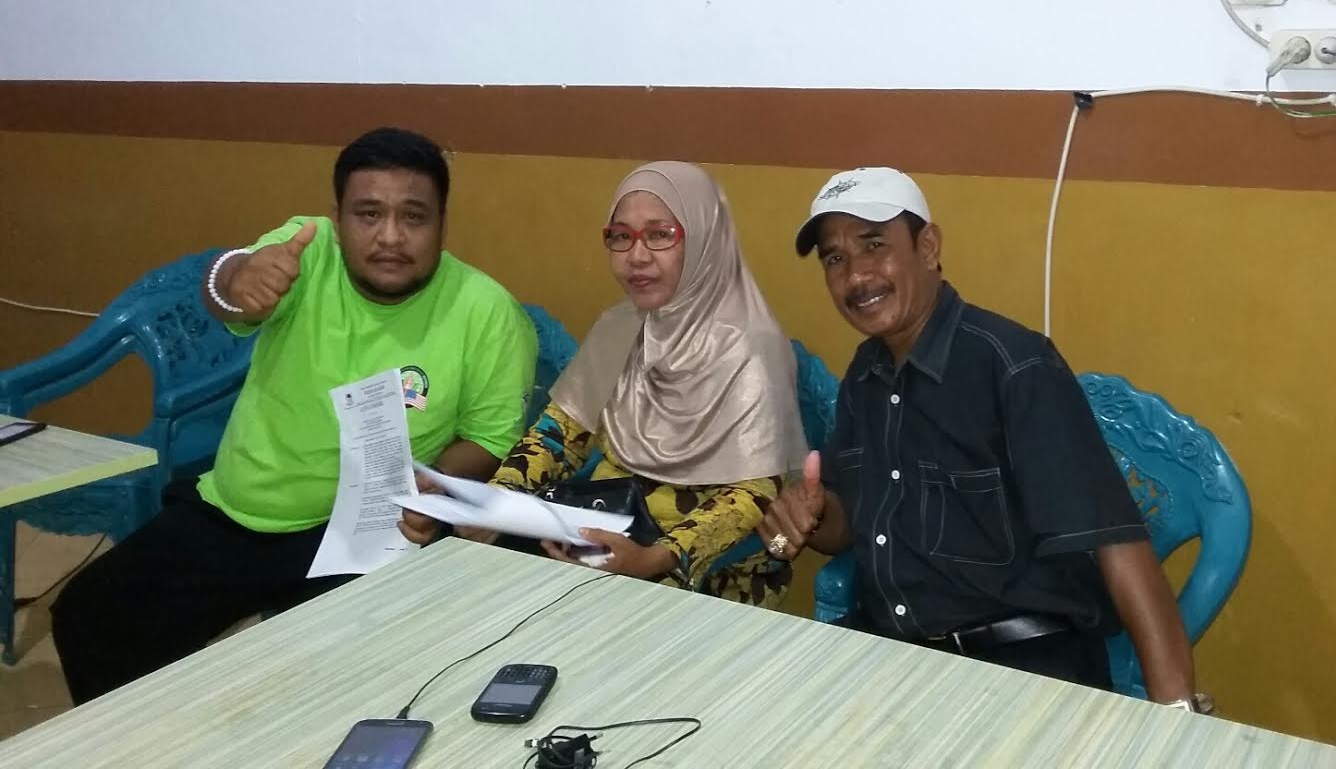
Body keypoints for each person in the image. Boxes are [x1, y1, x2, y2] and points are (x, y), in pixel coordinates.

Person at [52, 127, 538, 704]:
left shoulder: (488, 312)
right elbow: (229, 285)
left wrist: (433, 484)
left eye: (414, 217)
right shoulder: (306, 251)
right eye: (368, 214)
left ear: (442, 223)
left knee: (321, 685)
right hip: (243, 511)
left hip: (370, 531)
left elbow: (488, 437)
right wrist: (235, 280)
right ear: (337, 218)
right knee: (91, 615)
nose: (390, 236)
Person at [757, 167, 1209, 710]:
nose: (856, 275)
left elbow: (1117, 541)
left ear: (928, 247)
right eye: (835, 258)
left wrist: (1175, 714)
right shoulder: (865, 374)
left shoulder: (1015, 367)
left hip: (1024, 668)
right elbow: (848, 523)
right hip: (894, 653)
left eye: (874, 245)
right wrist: (808, 515)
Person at [400, 161, 808, 607]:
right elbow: (557, 437)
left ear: (706, 240)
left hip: (707, 577)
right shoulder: (619, 328)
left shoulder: (752, 348)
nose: (637, 256)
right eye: (620, 236)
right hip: (596, 538)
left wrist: (654, 559)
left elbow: (752, 495)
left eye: (660, 235)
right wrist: (496, 502)